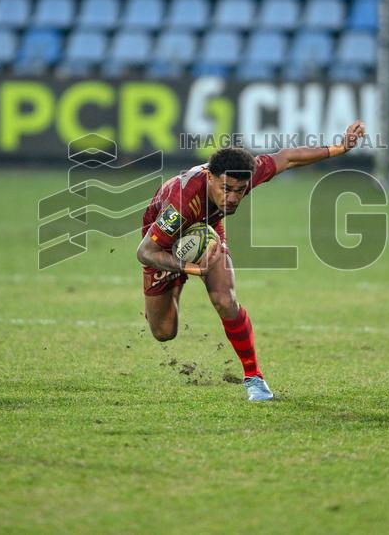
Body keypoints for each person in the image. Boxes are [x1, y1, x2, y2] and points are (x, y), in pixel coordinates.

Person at [137, 121, 366, 401]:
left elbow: (288, 158)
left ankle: (254, 378)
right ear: (209, 177)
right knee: (164, 332)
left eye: (240, 190)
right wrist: (188, 268)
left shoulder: (245, 174)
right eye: (226, 189)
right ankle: (167, 289)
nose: (233, 198)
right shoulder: (182, 201)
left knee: (225, 299)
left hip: (206, 230)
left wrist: (339, 148)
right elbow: (145, 251)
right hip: (165, 242)